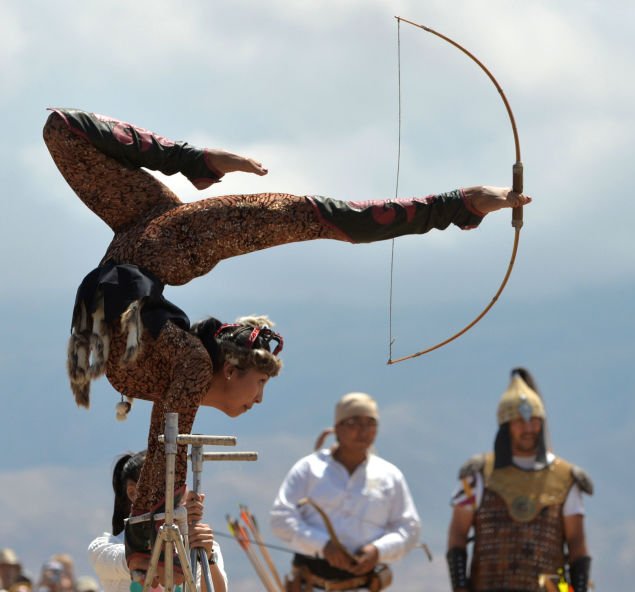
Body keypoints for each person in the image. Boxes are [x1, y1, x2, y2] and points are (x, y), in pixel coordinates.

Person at [42, 107, 530, 565]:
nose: (258, 400)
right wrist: (457, 205)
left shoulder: (155, 242)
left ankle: (149, 524)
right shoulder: (192, 238)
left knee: (190, 360)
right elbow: (338, 216)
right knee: (300, 222)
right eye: (261, 384)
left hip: (122, 315)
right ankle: (147, 529)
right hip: (127, 310)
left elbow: (62, 130)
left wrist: (192, 160)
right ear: (231, 368)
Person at [446, 368, 593, 592]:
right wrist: (460, 587)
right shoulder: (477, 476)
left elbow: (576, 545)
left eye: (534, 421)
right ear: (506, 426)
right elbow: (458, 534)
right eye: (519, 421)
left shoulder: (566, 478)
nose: (528, 428)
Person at [271, 392, 420, 591]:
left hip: (364, 585)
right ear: (337, 428)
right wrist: (322, 545)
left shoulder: (390, 476)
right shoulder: (309, 469)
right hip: (311, 585)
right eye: (353, 422)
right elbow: (280, 518)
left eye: (370, 423)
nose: (363, 430)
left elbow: (409, 528)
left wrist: (377, 550)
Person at [89, 451, 227, 592]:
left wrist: (208, 558)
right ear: (133, 494)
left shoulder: (202, 543)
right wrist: (172, 520)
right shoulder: (103, 548)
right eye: (165, 487)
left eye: (178, 485)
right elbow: (138, 560)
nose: (174, 494)